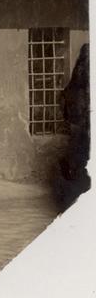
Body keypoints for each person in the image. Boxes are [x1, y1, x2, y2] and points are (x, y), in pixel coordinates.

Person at [58, 43, 91, 209]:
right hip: (81, 115)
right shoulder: (84, 71)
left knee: (78, 147)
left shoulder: (79, 71)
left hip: (78, 115)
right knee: (80, 147)